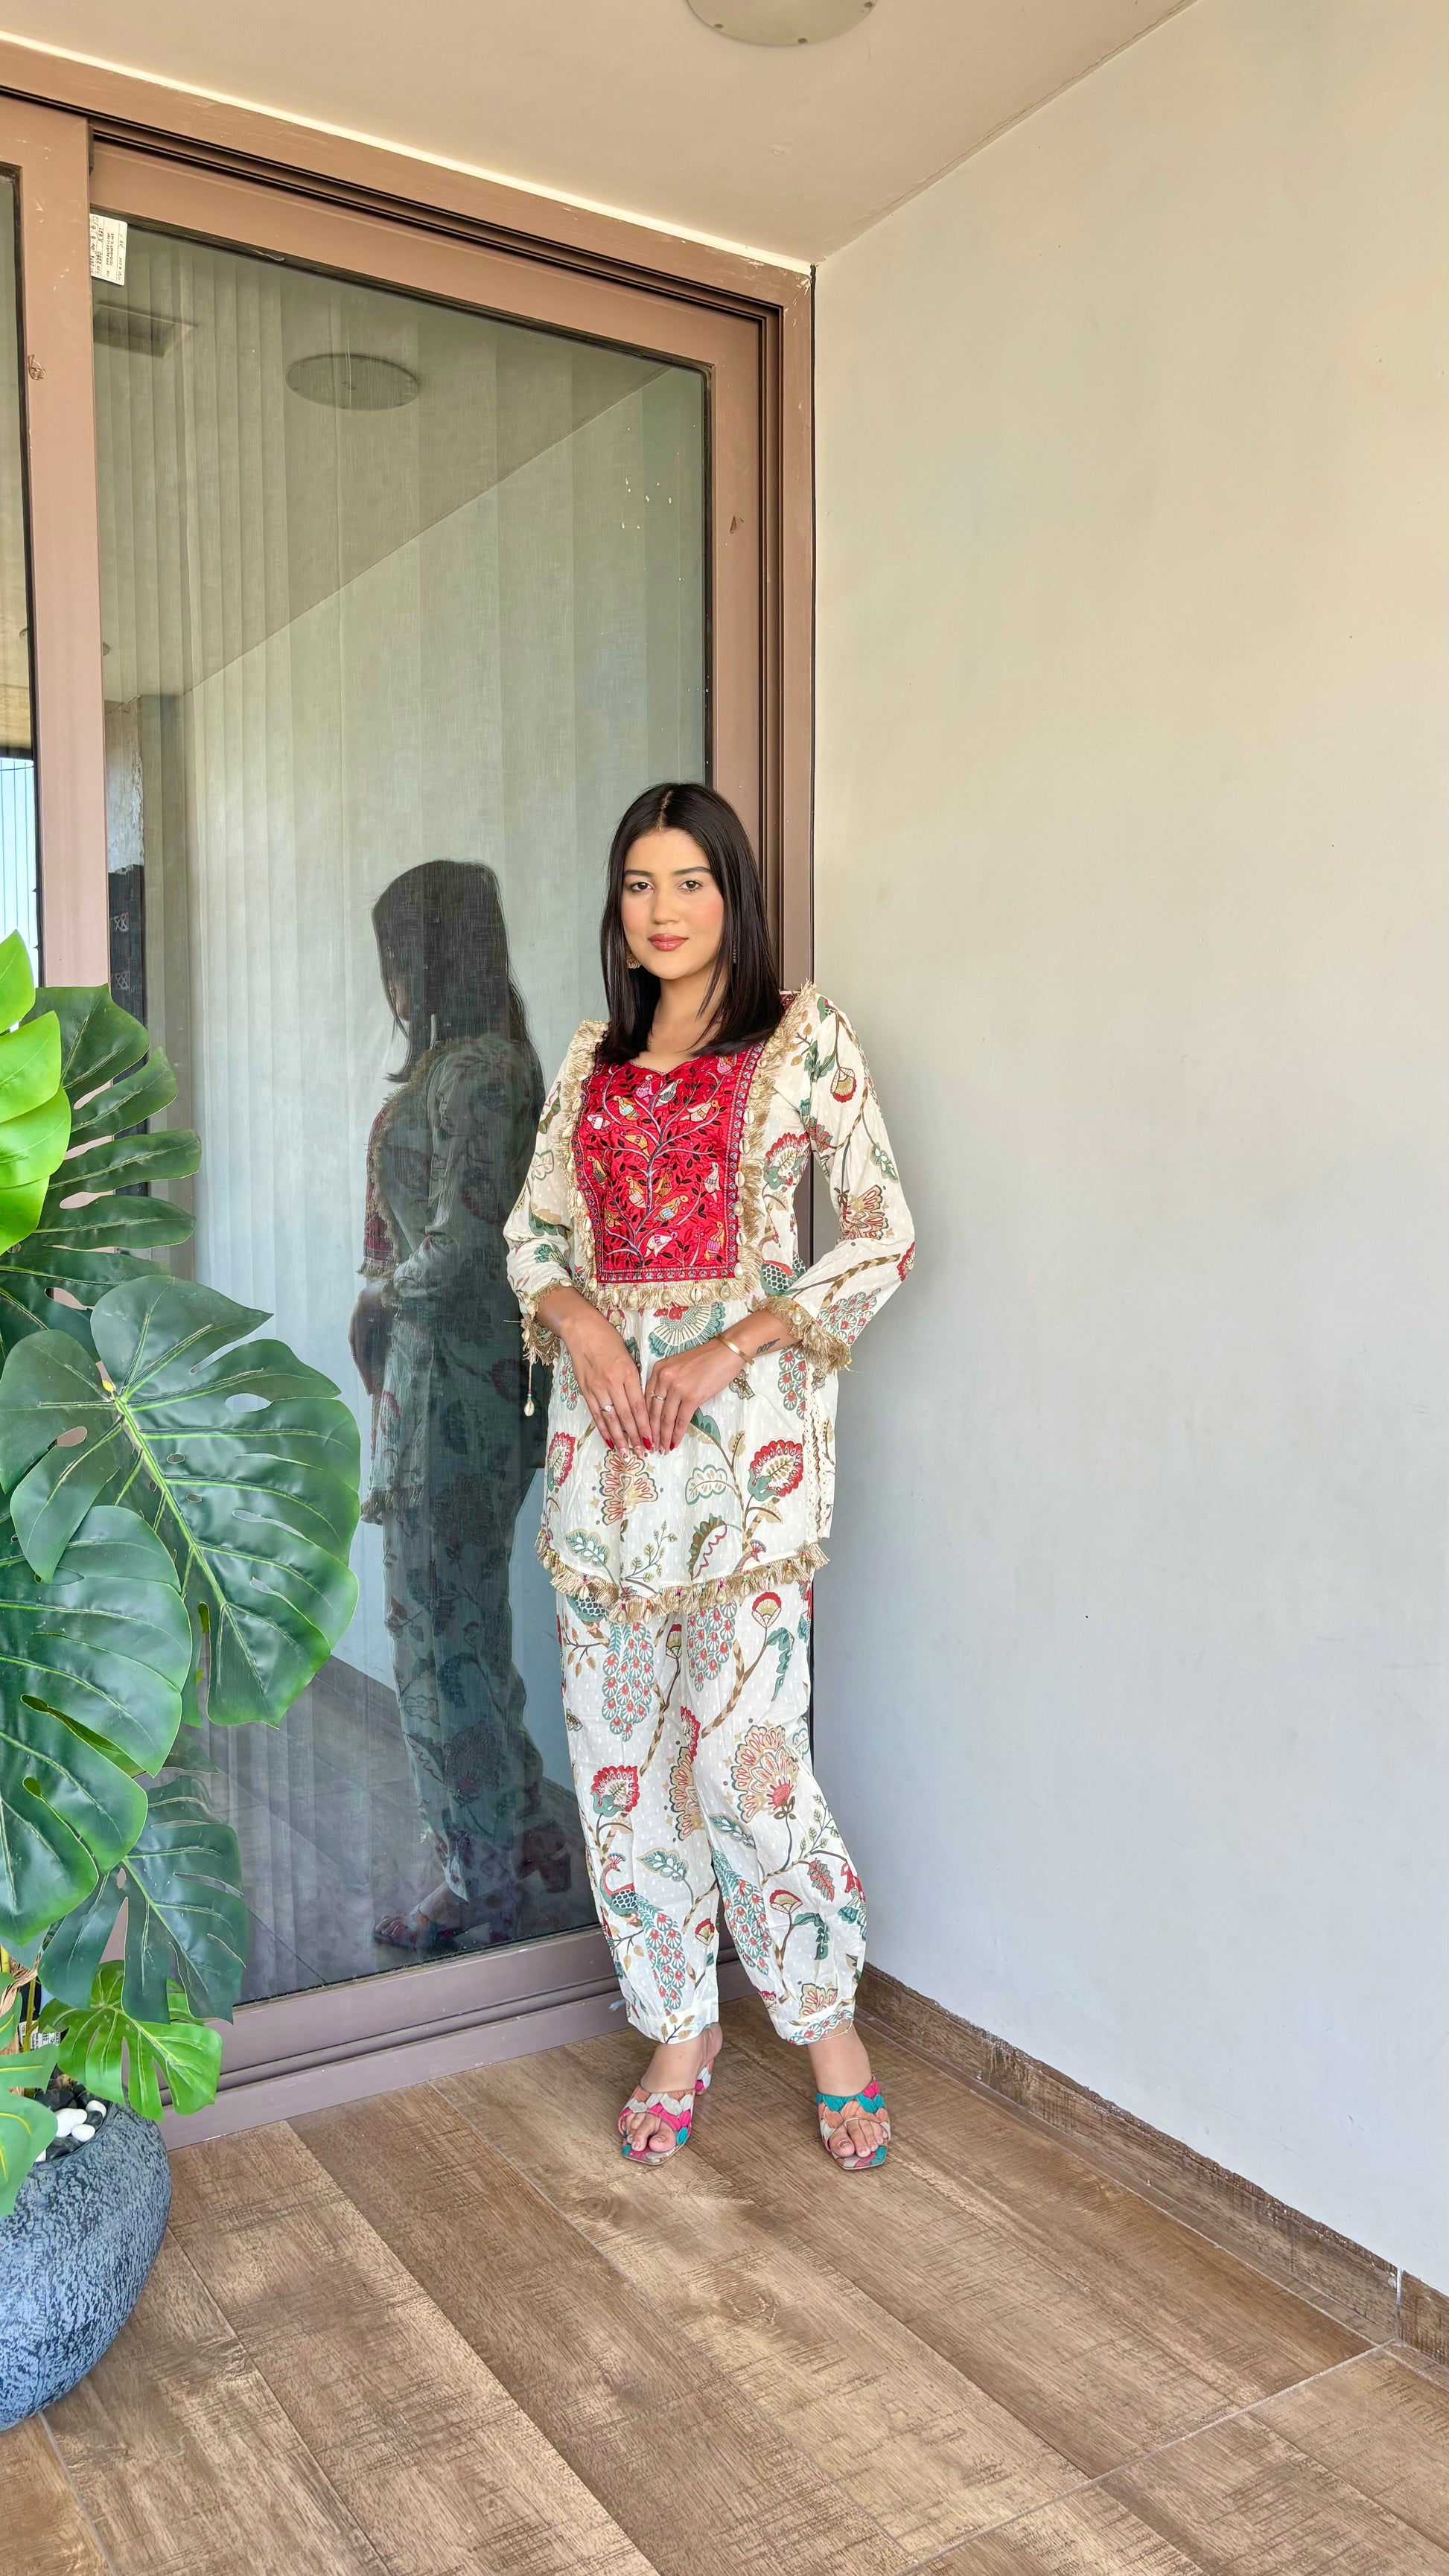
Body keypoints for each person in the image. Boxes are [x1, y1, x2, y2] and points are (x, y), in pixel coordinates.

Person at [503, 784, 914, 2169]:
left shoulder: (804, 1040)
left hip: (745, 1463)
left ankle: (825, 2024)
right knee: (622, 1762)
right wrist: (580, 1323)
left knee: (744, 1756)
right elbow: (531, 1237)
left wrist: (732, 1342)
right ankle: (679, 2025)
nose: (662, 910)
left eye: (689, 882)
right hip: (603, 1463)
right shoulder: (591, 1062)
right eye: (638, 884)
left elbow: (882, 1233)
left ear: (731, 893)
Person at [351, 860, 571, 1952]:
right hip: (440, 1381)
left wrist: (380, 1298)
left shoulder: (480, 1072)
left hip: (460, 1387)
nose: (390, 981)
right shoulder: (475, 1065)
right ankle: (520, 1830)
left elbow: (468, 1245)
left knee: (436, 1636)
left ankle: (473, 1876)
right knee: (461, 1628)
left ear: (430, 958)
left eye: (398, 956)